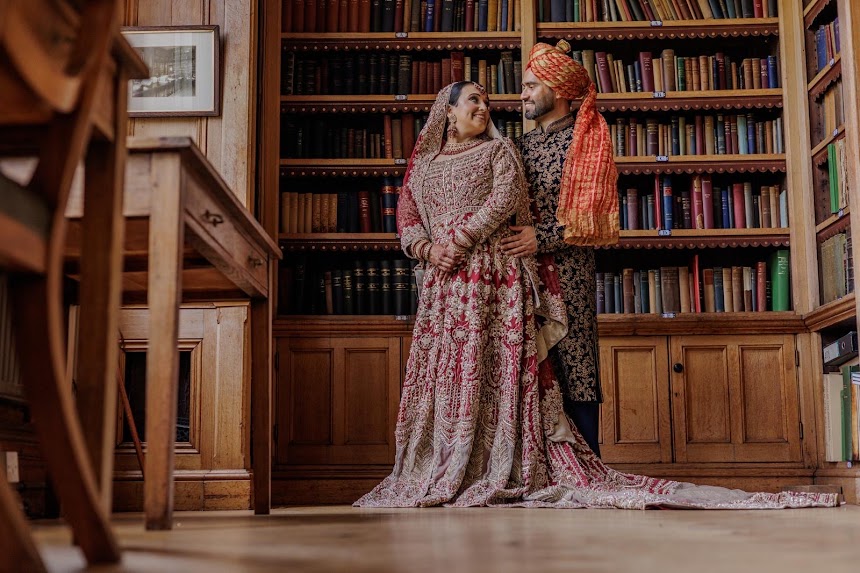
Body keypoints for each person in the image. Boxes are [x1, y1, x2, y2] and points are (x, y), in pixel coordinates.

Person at [354, 81, 837, 510]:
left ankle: (495, 466)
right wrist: (426, 248)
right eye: (475, 100)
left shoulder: (503, 151)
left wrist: (457, 242)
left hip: (492, 280)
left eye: (489, 99)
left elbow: (507, 201)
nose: (488, 106)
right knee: (448, 377)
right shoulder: (426, 164)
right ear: (449, 112)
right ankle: (448, 466)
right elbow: (409, 217)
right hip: (443, 288)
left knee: (499, 373)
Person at [501, 40, 618, 458]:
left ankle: (588, 467)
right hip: (520, 274)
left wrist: (541, 237)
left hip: (569, 272)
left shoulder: (591, 143)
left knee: (575, 365)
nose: (523, 94)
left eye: (532, 85)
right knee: (527, 368)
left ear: (559, 89)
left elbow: (595, 219)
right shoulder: (518, 146)